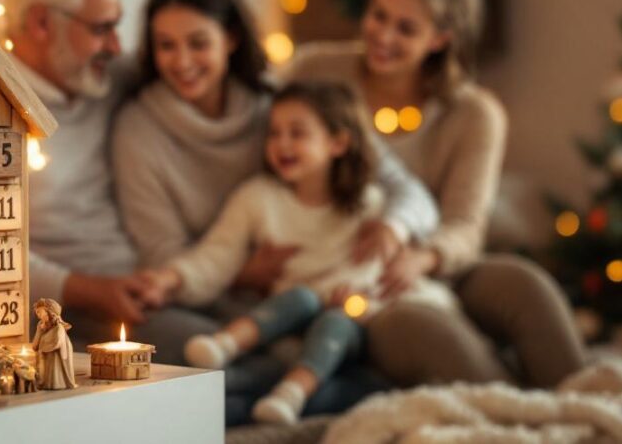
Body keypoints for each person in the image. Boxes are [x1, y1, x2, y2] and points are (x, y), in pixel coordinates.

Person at [288, 0, 586, 387]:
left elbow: (465, 225)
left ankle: (587, 405)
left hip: (435, 263)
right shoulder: (317, 72)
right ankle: (511, 413)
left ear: (441, 39)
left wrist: (423, 258)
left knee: (525, 284)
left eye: (406, 28)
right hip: (356, 280)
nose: (383, 36)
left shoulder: (474, 113)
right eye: (379, 15)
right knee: (427, 329)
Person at [142, 81, 456, 424]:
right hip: (285, 320)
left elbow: (378, 273)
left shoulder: (369, 205)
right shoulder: (257, 198)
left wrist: (356, 302)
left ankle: (291, 395)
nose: (282, 144)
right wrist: (168, 279)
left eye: (297, 133)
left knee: (333, 322)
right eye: (274, 133)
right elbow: (216, 256)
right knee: (301, 300)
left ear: (338, 143)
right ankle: (223, 347)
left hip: (346, 326)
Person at [112, 0, 439, 276]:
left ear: (231, 39)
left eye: (198, 43)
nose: (182, 61)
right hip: (207, 295)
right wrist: (242, 275)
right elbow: (160, 256)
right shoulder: (138, 132)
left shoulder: (278, 104)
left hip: (324, 283)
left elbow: (407, 190)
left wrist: (393, 228)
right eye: (166, 45)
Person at [3, 0, 228, 366]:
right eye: (101, 28)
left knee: (276, 340)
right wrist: (87, 290)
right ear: (41, 23)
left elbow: (208, 74)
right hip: (68, 310)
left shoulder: (107, 78)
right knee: (225, 354)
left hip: (153, 284)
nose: (117, 46)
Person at [31, 298, 77, 390]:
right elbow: (34, 346)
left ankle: (57, 383)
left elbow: (56, 343)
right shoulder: (41, 326)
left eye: (40, 311)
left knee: (54, 373)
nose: (38, 314)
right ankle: (44, 383)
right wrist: (39, 331)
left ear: (49, 312)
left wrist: (42, 349)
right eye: (37, 312)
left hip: (55, 358)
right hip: (44, 360)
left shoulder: (59, 328)